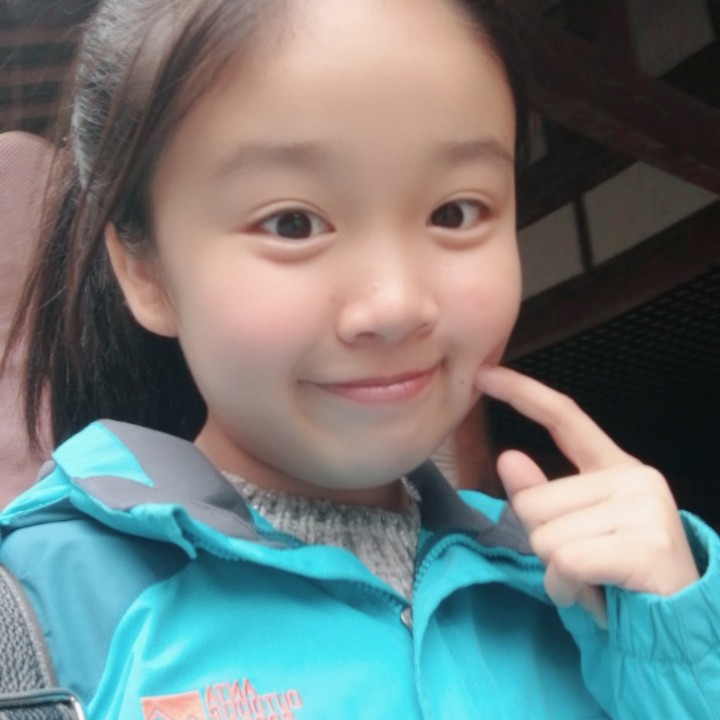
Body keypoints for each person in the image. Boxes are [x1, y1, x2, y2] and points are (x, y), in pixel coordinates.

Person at [1, 0, 718, 718]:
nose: (396, 305)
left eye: (455, 212)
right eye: (292, 223)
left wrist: (680, 660)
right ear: (144, 269)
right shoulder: (46, 616)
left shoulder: (594, 594)